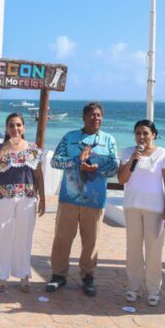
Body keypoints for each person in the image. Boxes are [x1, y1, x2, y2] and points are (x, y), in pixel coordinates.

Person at [46, 102, 118, 297]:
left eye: (99, 115)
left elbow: (114, 166)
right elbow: (55, 161)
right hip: (69, 198)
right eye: (92, 115)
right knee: (62, 238)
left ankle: (88, 276)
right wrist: (77, 161)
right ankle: (58, 275)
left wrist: (97, 169)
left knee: (91, 241)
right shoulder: (70, 137)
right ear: (84, 118)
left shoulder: (108, 140)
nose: (96, 118)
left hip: (95, 201)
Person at [0, 113, 45, 292]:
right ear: (6, 128)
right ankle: (1, 275)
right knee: (3, 236)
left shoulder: (33, 149)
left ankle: (23, 274)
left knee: (24, 236)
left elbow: (38, 174)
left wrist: (42, 198)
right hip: (4, 199)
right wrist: (4, 148)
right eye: (11, 125)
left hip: (27, 198)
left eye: (18, 125)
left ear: (24, 128)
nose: (15, 128)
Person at [117, 119, 165, 306]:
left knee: (153, 251)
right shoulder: (127, 153)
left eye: (145, 133)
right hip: (132, 206)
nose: (141, 137)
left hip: (155, 209)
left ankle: (153, 289)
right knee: (133, 249)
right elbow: (121, 179)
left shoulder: (163, 155)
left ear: (153, 135)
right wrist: (132, 159)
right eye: (138, 133)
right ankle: (133, 287)